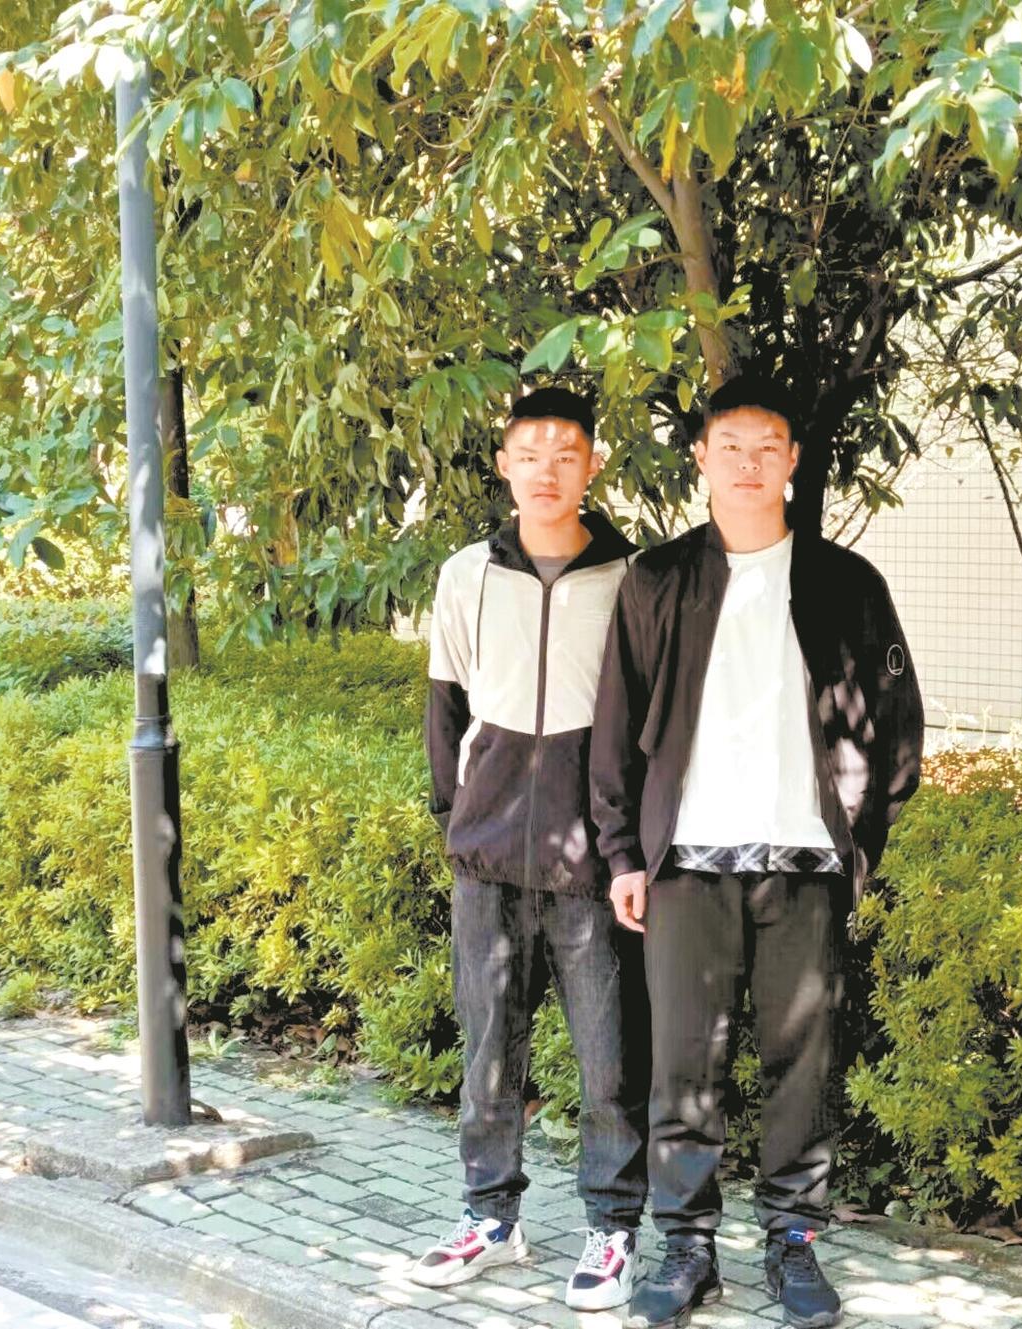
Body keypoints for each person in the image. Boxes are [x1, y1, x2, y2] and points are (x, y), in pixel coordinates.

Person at [591, 375, 924, 1329]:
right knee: (682, 1065)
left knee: (801, 1064)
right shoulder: (657, 580)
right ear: (701, 458)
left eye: (766, 447)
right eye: (729, 446)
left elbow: (897, 727)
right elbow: (615, 730)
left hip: (804, 865)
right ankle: (685, 1244)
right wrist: (623, 853)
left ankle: (793, 1238)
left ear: (792, 461)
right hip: (687, 864)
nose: (747, 464)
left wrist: (860, 840)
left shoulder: (847, 585)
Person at [415, 387, 649, 1310]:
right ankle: (491, 1217)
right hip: (488, 855)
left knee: (608, 1057)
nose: (547, 471)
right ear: (503, 465)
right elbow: (446, 705)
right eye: (530, 454)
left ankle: (613, 1227)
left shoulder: (632, 577)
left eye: (566, 454)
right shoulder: (465, 573)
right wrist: (459, 819)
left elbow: (646, 722)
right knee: (487, 1050)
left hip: (592, 858)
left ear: (593, 465)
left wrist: (629, 846)